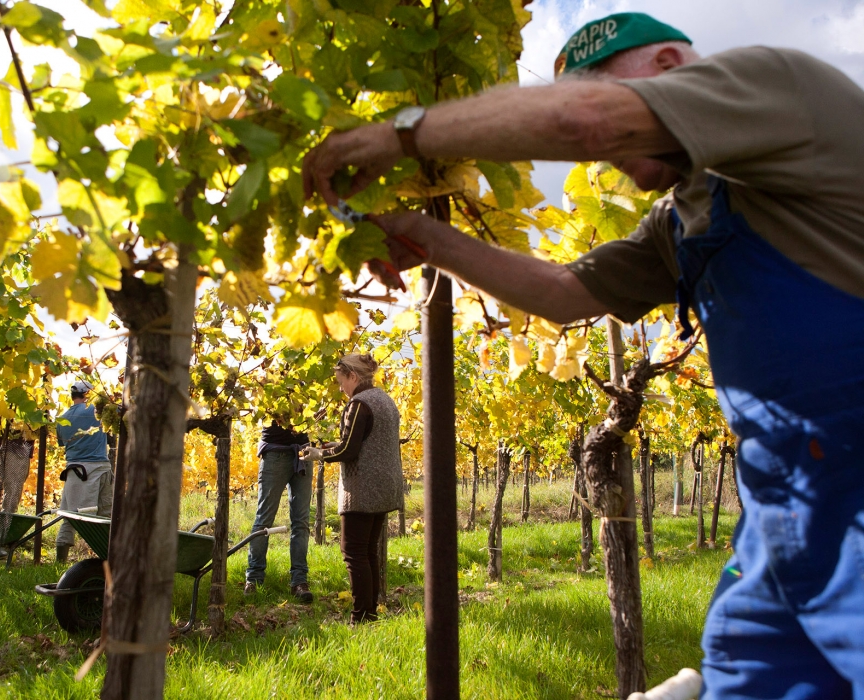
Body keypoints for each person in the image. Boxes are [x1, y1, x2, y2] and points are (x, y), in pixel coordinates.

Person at [303, 11, 864, 696]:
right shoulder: (682, 217)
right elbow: (563, 293)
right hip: (786, 515)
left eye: (608, 90)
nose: (607, 159)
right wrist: (422, 236)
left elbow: (588, 123)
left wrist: (398, 136)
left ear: (665, 67)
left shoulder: (778, 81)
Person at [302, 354, 404, 623]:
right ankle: (369, 614)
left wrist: (318, 454)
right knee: (368, 549)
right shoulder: (385, 400)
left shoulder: (359, 403)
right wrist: (327, 448)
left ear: (353, 377)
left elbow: (349, 449)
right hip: (386, 484)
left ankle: (361, 617)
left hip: (363, 487)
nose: (340, 388)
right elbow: (362, 441)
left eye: (341, 381)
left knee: (353, 551)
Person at [245, 419, 314, 602]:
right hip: (275, 453)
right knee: (264, 520)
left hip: (303, 452)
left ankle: (299, 582)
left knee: (301, 522)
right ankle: (254, 579)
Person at [55, 380, 114, 563]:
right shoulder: (95, 411)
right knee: (106, 516)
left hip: (76, 472)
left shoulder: (62, 418)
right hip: (100, 470)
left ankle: (60, 561)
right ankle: (107, 558)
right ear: (88, 394)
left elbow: (62, 443)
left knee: (70, 516)